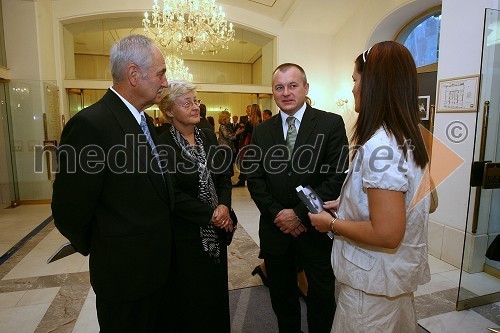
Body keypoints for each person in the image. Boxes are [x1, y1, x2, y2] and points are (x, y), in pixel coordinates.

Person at [51, 35, 214, 332]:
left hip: (157, 271)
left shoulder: (144, 122)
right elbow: (69, 211)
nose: (165, 83)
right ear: (134, 75)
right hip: (124, 277)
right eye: (161, 73)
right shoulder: (91, 125)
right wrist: (108, 246)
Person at [309, 41, 431, 332]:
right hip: (391, 283)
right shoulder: (408, 136)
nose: (352, 88)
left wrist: (333, 223)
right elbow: (416, 200)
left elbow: (388, 233)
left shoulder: (381, 146)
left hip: (371, 291)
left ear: (372, 84)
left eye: (355, 80)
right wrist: (349, 203)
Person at [245, 63, 349, 333]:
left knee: (322, 294)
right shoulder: (262, 131)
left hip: (315, 225)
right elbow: (254, 179)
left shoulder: (330, 124)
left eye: (293, 85)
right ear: (273, 92)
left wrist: (299, 214)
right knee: (282, 295)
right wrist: (279, 214)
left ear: (306, 88)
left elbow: (335, 177)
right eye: (279, 87)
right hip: (276, 228)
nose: (286, 92)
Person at [157, 80, 233, 333]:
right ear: (169, 111)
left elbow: (223, 177)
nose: (195, 107)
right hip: (186, 235)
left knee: (216, 291)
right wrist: (209, 214)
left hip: (217, 232)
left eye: (196, 101)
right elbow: (171, 194)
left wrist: (222, 206)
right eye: (186, 102)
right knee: (190, 297)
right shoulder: (162, 144)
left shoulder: (208, 135)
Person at [234, 103, 261, 187]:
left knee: (244, 163)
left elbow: (246, 135)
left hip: (248, 145)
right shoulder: (260, 121)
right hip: (256, 145)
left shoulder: (250, 123)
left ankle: (242, 180)